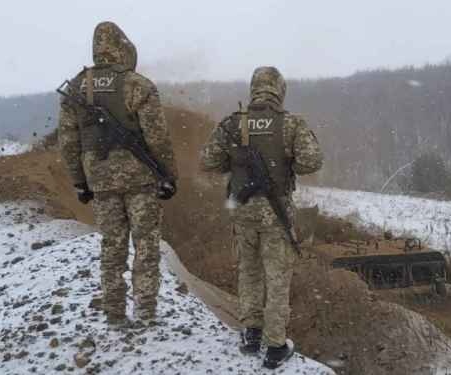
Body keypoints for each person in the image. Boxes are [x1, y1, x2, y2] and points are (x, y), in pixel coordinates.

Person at [200, 66, 323, 369]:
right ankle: (275, 346)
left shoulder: (233, 123)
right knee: (277, 279)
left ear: (254, 88)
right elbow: (311, 162)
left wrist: (237, 158)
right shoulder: (290, 124)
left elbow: (208, 160)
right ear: (280, 90)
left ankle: (251, 334)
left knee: (249, 272)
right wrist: (286, 158)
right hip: (276, 215)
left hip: (242, 212)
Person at [58, 21, 178, 325]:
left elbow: (69, 142)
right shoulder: (138, 84)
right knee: (146, 247)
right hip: (140, 181)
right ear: (122, 47)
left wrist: (79, 183)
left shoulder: (76, 88)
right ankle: (146, 313)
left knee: (112, 247)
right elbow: (158, 138)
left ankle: (114, 313)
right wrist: (168, 175)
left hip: (100, 182)